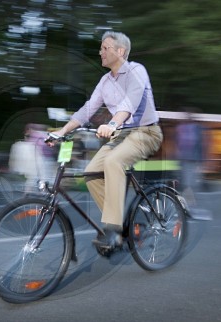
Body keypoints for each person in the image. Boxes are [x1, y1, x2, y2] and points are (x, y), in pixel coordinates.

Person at [49, 31, 163, 251]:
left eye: (105, 48)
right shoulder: (105, 81)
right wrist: (61, 132)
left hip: (146, 132)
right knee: (91, 172)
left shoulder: (136, 71)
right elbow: (88, 109)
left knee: (113, 162)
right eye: (100, 48)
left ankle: (111, 227)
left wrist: (112, 124)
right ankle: (118, 227)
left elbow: (129, 103)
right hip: (122, 135)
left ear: (120, 51)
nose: (100, 51)